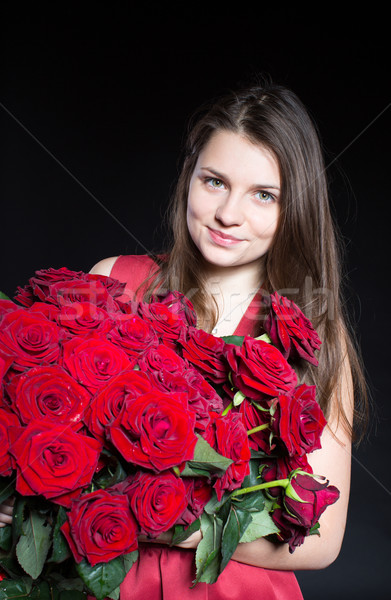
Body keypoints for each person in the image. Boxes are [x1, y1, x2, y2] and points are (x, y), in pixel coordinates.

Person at [0, 77, 368, 599]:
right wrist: (21, 498)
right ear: (188, 175)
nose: (228, 214)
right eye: (214, 181)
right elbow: (38, 431)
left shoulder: (313, 338)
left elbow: (323, 541)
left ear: (295, 209)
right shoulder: (114, 282)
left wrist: (164, 520)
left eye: (263, 195)